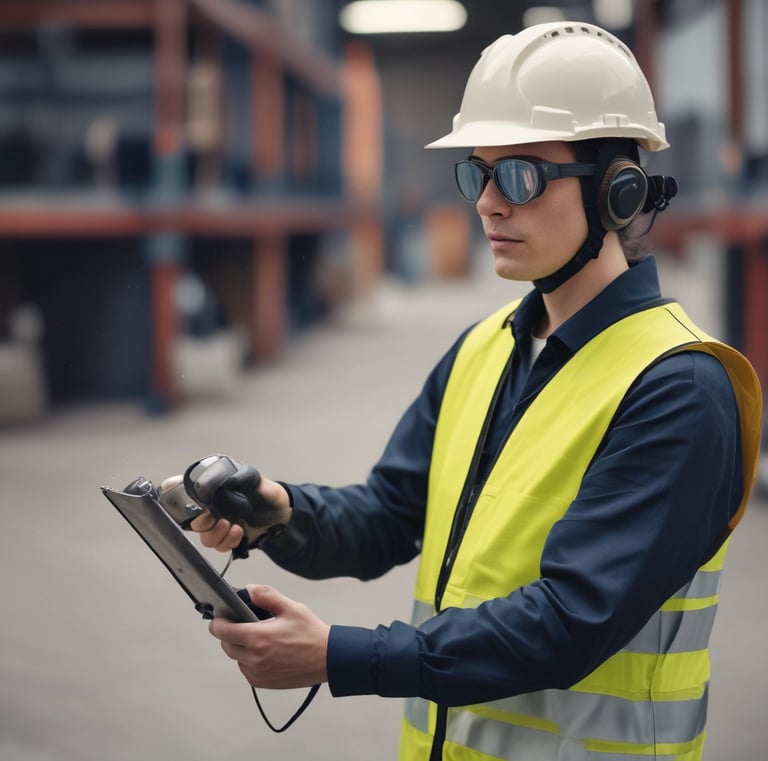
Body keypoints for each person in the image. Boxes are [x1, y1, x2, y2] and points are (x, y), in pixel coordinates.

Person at [161, 21, 762, 761]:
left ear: (617, 191)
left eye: (520, 175)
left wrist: (337, 655)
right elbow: (388, 513)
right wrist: (279, 512)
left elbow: (570, 620)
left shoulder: (680, 388)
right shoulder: (483, 350)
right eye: (477, 172)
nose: (486, 203)